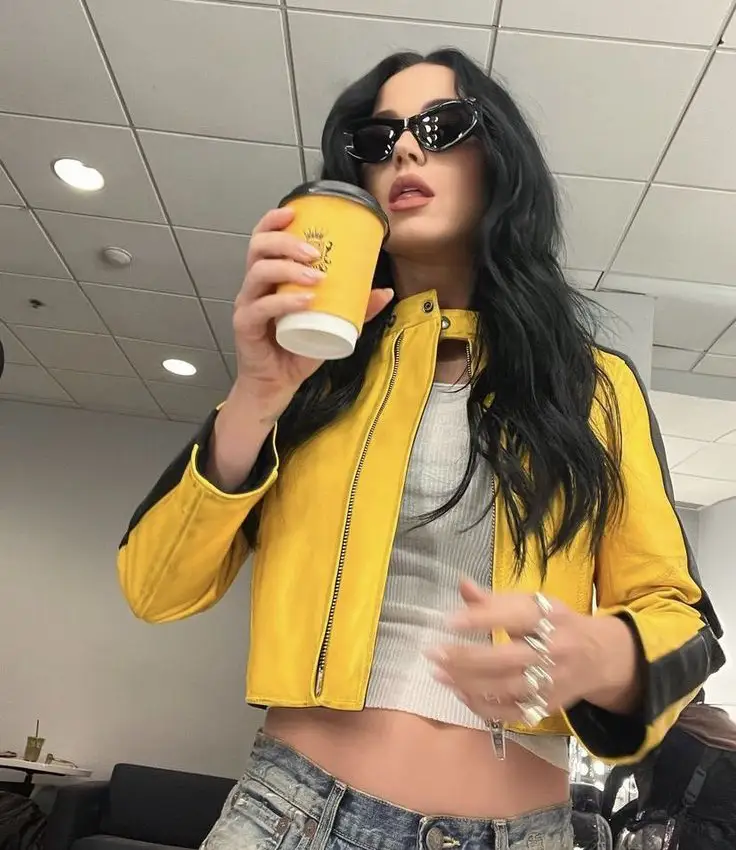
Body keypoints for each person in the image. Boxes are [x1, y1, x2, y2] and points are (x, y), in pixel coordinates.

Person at [117, 49, 724, 850]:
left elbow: (680, 617)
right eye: (378, 139)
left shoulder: (591, 387)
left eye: (442, 127)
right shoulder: (315, 377)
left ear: (498, 157)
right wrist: (258, 394)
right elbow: (155, 586)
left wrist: (609, 654)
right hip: (289, 817)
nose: (404, 149)